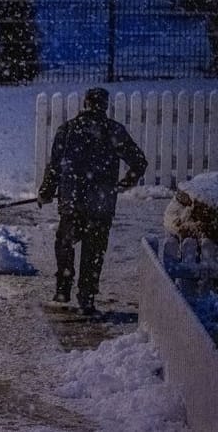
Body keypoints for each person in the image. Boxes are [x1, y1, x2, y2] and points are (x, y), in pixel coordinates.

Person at [37, 87, 148, 315]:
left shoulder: (67, 130)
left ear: (85, 103)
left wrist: (47, 192)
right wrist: (124, 184)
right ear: (105, 105)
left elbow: (55, 167)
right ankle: (86, 297)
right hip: (101, 203)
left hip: (72, 200)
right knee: (94, 250)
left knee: (65, 244)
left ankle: (63, 288)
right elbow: (139, 162)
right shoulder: (113, 130)